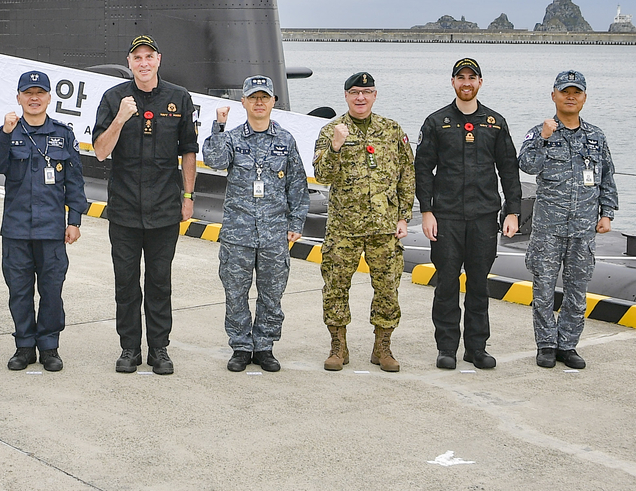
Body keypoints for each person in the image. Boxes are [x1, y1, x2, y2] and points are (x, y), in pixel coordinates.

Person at [92, 35, 199, 375]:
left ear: (158, 60)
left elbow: (188, 152)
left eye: (149, 56)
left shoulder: (179, 98)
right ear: (130, 62)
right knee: (125, 282)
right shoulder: (113, 98)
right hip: (124, 207)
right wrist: (120, 118)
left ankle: (159, 349)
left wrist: (188, 197)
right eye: (137, 57)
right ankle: (128, 349)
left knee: (159, 281)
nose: (143, 62)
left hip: (165, 206)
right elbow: (100, 150)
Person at [415, 57, 522, 371]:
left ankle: (477, 349)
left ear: (480, 83)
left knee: (478, 285)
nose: (466, 83)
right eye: (460, 77)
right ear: (452, 83)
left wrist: (512, 211)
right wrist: (426, 211)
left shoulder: (495, 123)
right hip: (446, 216)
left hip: (484, 217)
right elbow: (422, 169)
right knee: (447, 284)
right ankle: (446, 348)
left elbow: (509, 171)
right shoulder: (436, 122)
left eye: (471, 78)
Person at [0, 71, 88, 372]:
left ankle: (50, 346)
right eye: (28, 93)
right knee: (19, 290)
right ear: (18, 97)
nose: (34, 98)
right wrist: (4, 132)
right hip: (16, 229)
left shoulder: (63, 134)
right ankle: (24, 346)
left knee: (52, 291)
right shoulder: (8, 131)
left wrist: (75, 220)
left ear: (49, 98)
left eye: (40, 92)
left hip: (52, 229)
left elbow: (75, 181)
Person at [202, 75, 309, 373]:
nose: (259, 102)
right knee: (235, 292)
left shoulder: (285, 140)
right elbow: (214, 159)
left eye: (264, 97)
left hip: (274, 233)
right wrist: (219, 126)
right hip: (239, 232)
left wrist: (296, 222)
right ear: (244, 102)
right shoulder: (233, 137)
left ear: (274, 101)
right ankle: (240, 345)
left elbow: (297, 185)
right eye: (253, 97)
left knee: (272, 293)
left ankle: (264, 346)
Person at [312, 72, 414, 373]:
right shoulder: (332, 130)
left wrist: (403, 216)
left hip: (384, 226)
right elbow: (321, 175)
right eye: (355, 92)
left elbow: (407, 174)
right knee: (335, 286)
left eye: (366, 92)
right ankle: (338, 345)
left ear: (374, 95)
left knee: (387, 288)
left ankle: (382, 346)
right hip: (344, 226)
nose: (360, 97)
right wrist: (336, 147)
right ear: (345, 96)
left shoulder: (392, 130)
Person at [518, 70, 618, 370]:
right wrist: (545, 139)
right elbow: (526, 165)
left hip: (584, 228)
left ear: (584, 98)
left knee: (577, 290)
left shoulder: (596, 137)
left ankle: (568, 345)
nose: (570, 96)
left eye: (576, 92)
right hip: (549, 226)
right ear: (554, 96)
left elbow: (607, 176)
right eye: (565, 92)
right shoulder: (540, 132)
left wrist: (607, 212)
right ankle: (546, 344)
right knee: (544, 289)